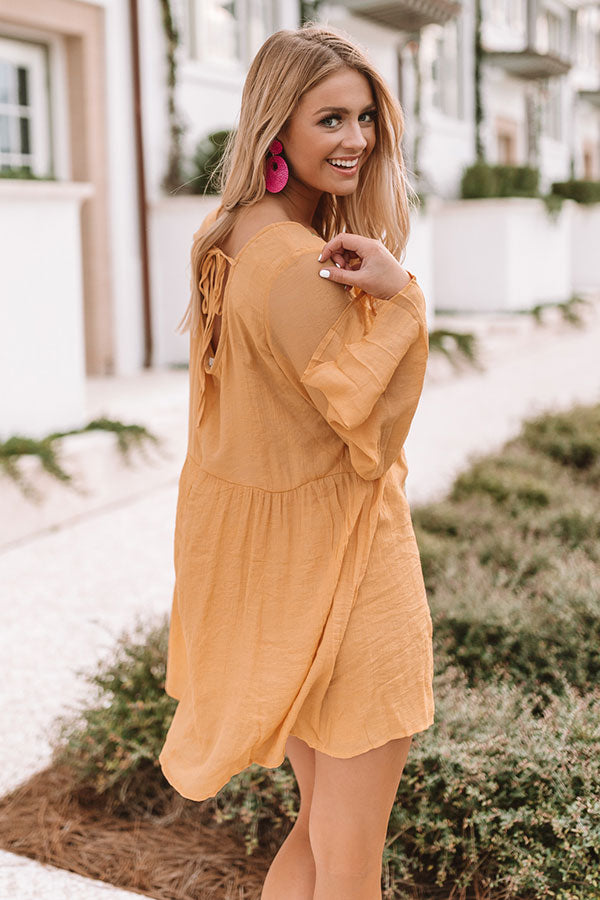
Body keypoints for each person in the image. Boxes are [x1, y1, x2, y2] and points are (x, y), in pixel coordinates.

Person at [158, 23, 434, 900]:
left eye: (366, 118)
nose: (358, 139)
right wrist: (402, 300)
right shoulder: (291, 261)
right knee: (351, 863)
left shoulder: (233, 233)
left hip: (292, 580)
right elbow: (366, 427)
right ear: (276, 126)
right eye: (330, 119)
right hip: (348, 575)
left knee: (319, 835)